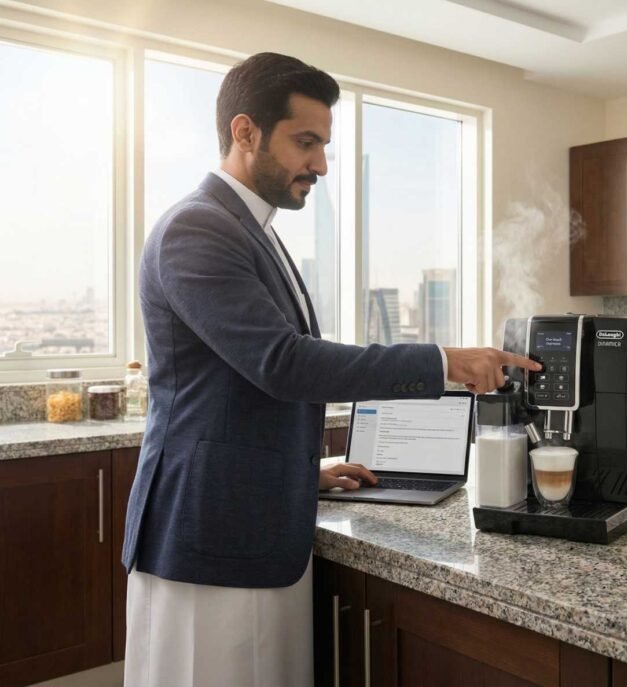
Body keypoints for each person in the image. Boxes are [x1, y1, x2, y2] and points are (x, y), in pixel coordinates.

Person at [122, 53, 539, 686]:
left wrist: (302, 470)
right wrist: (444, 362)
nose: (320, 164)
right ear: (245, 132)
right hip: (210, 529)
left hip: (253, 515)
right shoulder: (197, 229)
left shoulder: (252, 229)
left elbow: (243, 388)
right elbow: (282, 363)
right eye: (306, 142)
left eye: (323, 145)